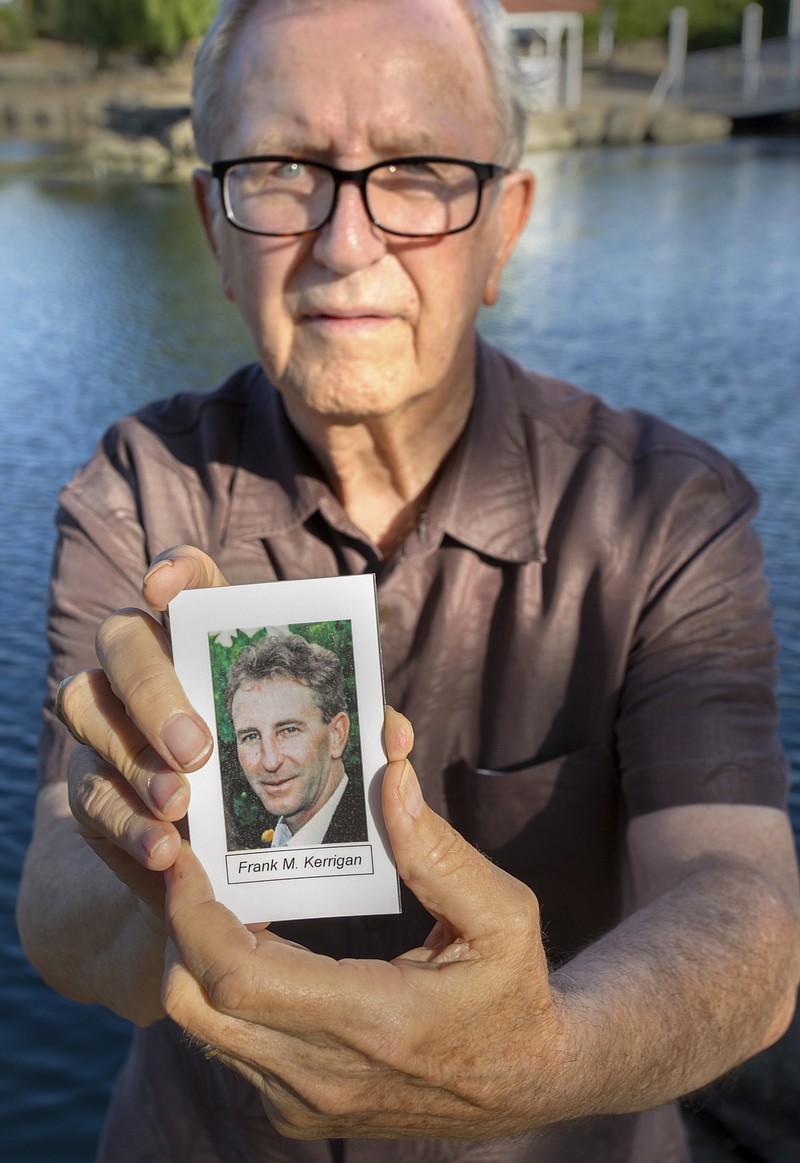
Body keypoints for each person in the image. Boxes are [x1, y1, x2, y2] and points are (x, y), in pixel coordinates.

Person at [16, 0, 800, 1161]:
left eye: (421, 170)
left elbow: (741, 901)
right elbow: (62, 913)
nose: (344, 243)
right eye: (282, 169)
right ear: (213, 228)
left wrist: (545, 1060)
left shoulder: (661, 510)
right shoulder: (137, 494)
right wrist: (143, 856)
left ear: (505, 227)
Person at [224, 632, 367, 848]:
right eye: (251, 736)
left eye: (289, 730)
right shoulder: (265, 845)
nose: (270, 762)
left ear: (337, 734)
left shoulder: (379, 833)